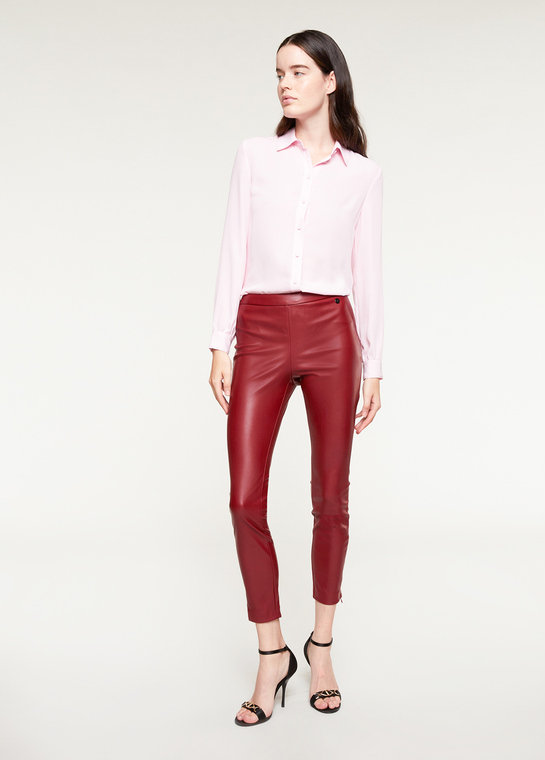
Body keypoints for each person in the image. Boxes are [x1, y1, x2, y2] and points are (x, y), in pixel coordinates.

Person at [208, 29, 384, 726]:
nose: (285, 83)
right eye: (279, 73)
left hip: (333, 334)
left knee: (331, 499)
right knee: (243, 497)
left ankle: (322, 647)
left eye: (299, 71)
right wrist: (219, 341)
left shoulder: (362, 174)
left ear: (331, 80)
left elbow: (368, 274)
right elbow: (233, 246)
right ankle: (271, 652)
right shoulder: (255, 156)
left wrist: (375, 363)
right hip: (259, 327)